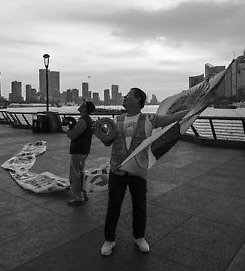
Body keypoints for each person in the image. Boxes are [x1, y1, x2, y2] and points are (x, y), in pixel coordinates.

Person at [99, 88, 188, 256]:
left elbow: (171, 118)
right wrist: (102, 133)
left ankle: (139, 237)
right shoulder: (117, 119)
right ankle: (109, 240)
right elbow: (107, 142)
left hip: (138, 172)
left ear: (138, 100)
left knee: (139, 206)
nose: (124, 98)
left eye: (128, 96)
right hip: (117, 170)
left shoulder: (150, 119)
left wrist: (194, 109)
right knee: (113, 206)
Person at [64, 101, 96, 206]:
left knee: (75, 175)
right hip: (83, 151)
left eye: (83, 105)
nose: (80, 105)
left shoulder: (83, 120)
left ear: (85, 109)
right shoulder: (88, 120)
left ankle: (78, 198)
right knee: (81, 173)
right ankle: (83, 193)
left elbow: (73, 135)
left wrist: (67, 130)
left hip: (78, 150)